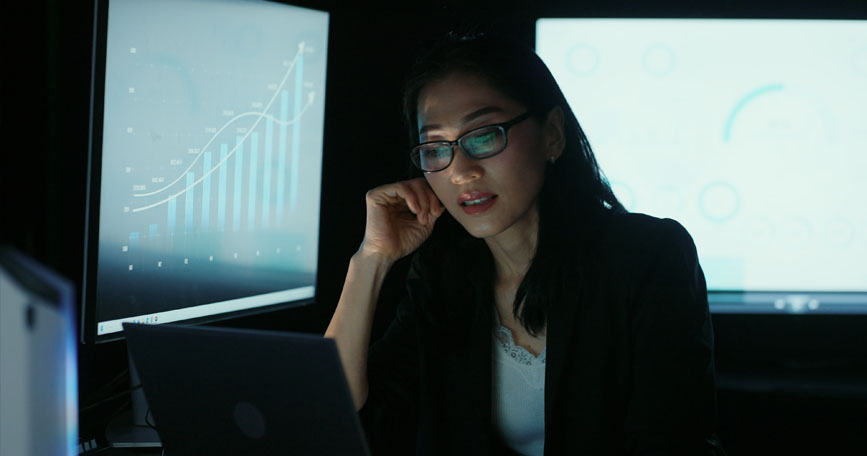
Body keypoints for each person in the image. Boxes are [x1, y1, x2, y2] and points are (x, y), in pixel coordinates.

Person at [325, 30, 723, 455]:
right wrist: (370, 260)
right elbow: (332, 417)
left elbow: (672, 441)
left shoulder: (648, 257)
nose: (461, 171)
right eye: (436, 147)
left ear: (552, 134)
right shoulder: (443, 275)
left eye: (483, 135)